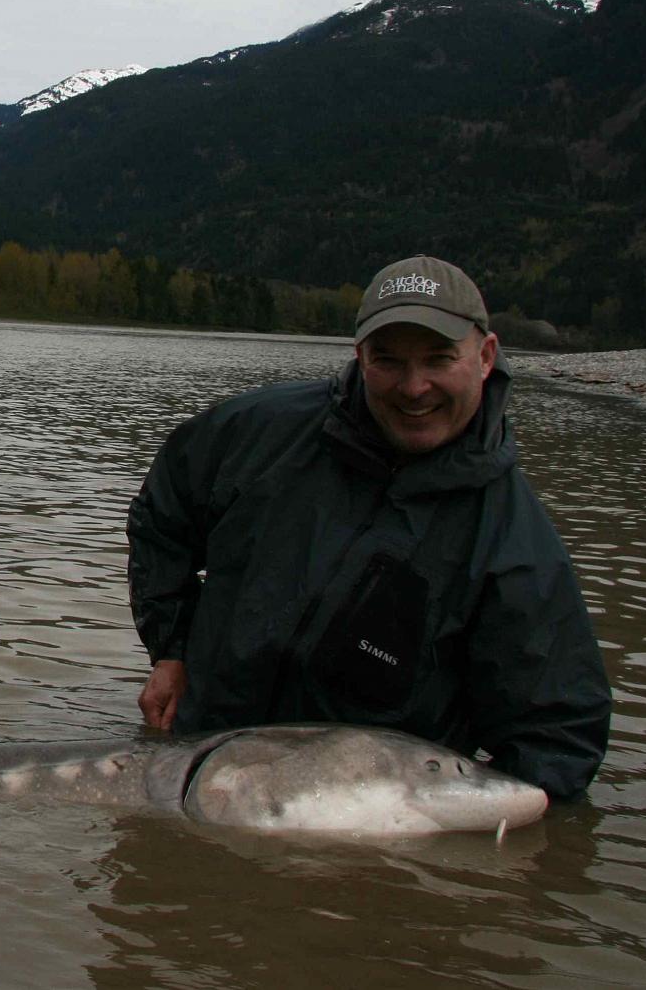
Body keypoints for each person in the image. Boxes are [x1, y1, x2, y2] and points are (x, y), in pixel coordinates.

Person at [126, 255, 610, 797]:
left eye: (438, 359)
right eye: (388, 361)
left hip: (353, 820)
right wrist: (171, 648)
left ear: (485, 357)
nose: (414, 387)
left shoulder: (513, 542)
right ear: (359, 355)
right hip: (197, 769)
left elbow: (559, 736)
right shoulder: (257, 433)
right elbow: (161, 516)